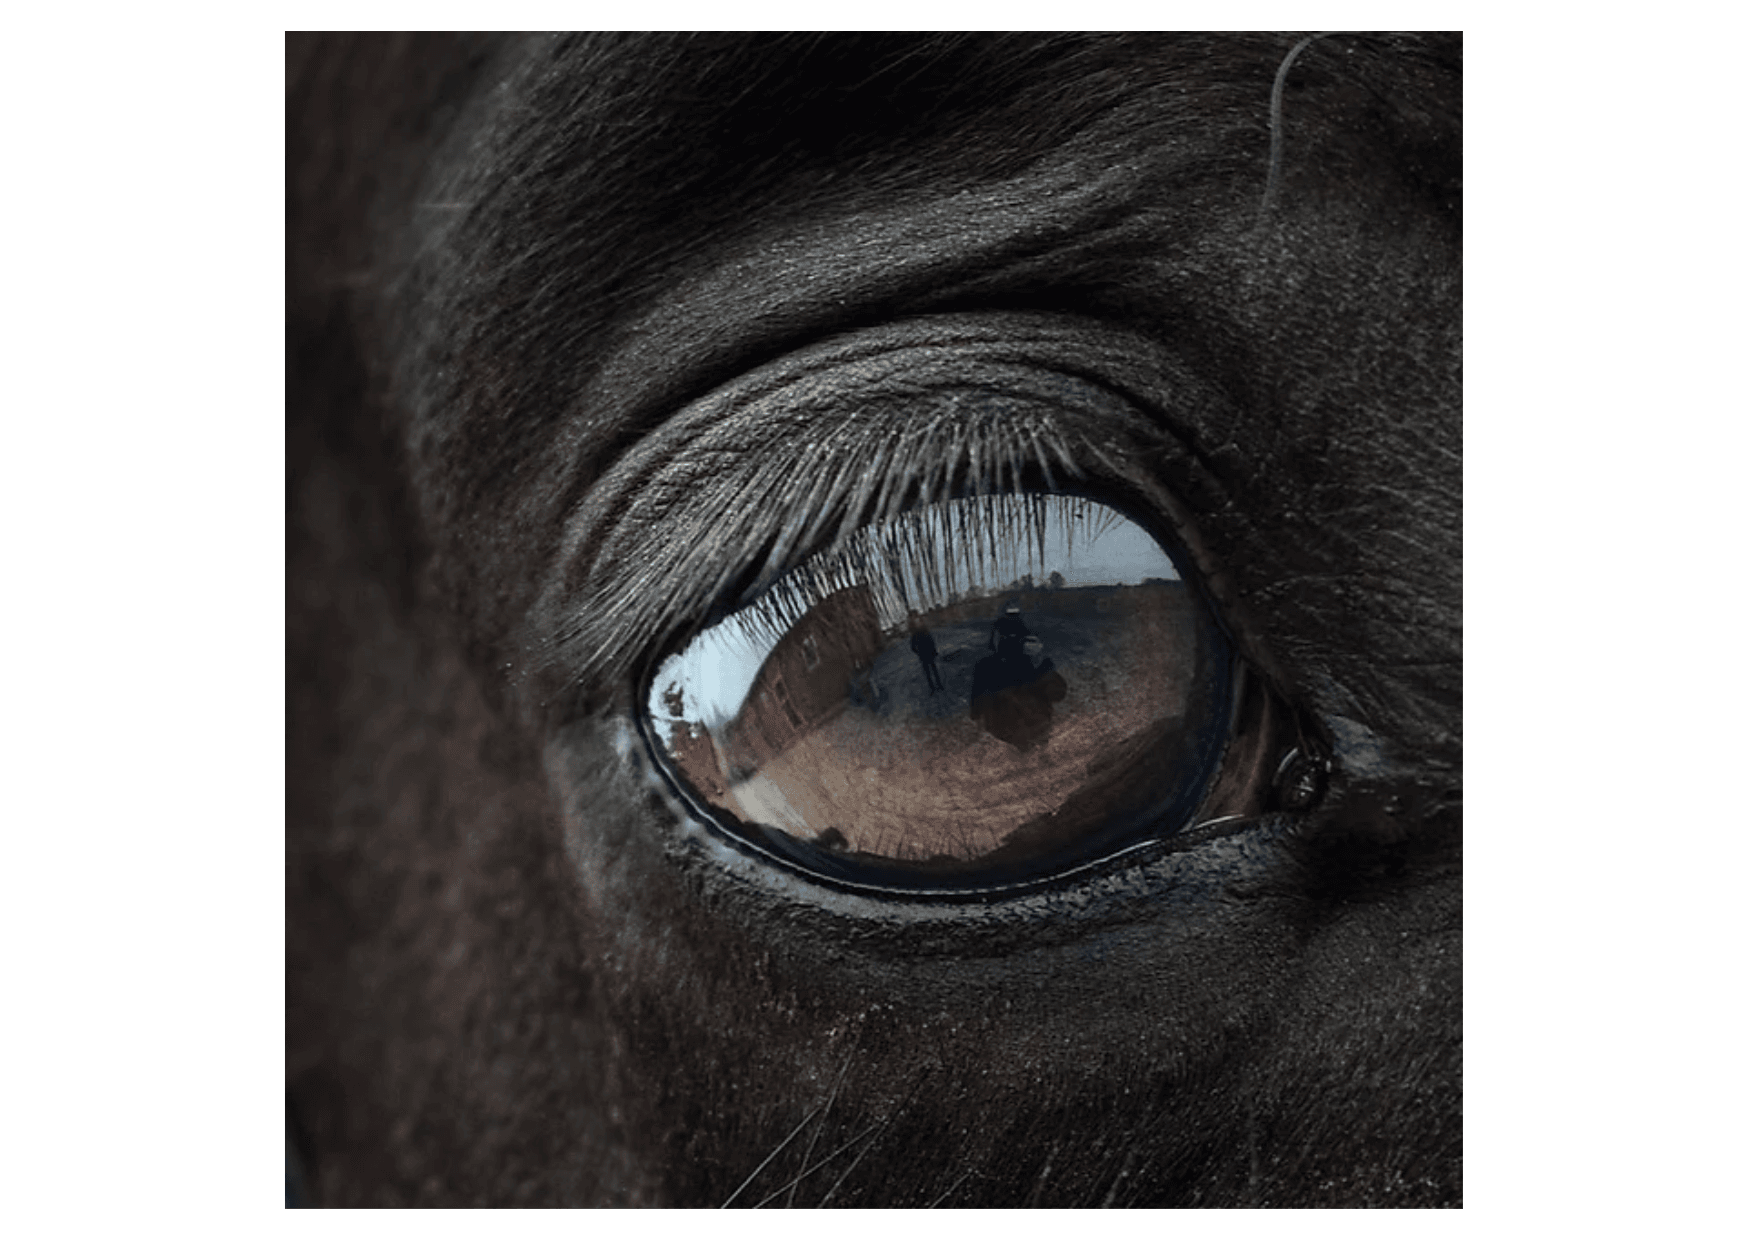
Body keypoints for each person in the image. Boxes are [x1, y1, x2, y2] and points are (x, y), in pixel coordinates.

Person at [908, 621, 944, 692]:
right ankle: (939, 685)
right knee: (934, 670)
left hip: (923, 656)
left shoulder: (914, 635)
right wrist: (934, 651)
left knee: (928, 673)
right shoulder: (925, 631)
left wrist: (918, 653)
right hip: (929, 654)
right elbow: (932, 642)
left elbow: (913, 647)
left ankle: (932, 688)